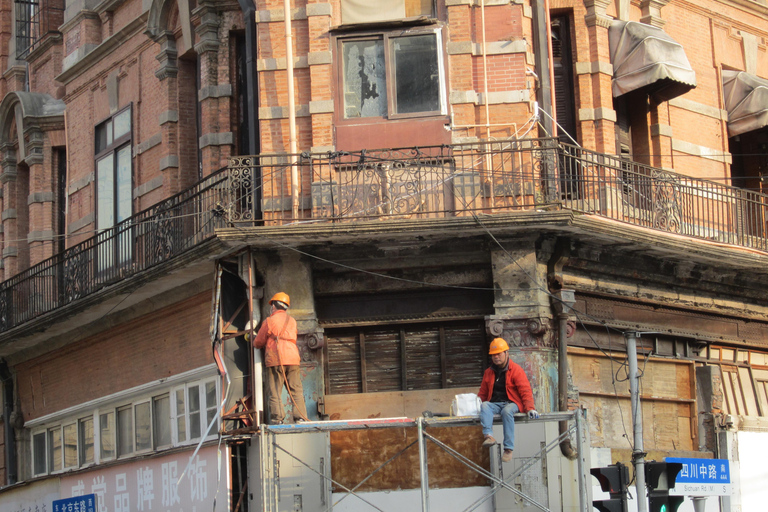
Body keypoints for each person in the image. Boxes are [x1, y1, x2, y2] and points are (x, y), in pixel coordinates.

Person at [477, 337, 539, 462]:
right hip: (495, 404)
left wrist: (530, 408)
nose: (496, 357)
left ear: (506, 353)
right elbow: (482, 394)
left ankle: (508, 448)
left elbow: (525, 390)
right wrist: (474, 407)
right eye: (493, 355)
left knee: (507, 411)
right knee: (484, 405)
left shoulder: (516, 370)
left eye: (499, 354)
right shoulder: (488, 372)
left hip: (512, 403)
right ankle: (489, 436)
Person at [253, 292, 308, 424]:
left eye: (272, 305)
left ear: (274, 306)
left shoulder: (269, 321)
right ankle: (300, 417)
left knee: (275, 391)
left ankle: (277, 419)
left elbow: (258, 343)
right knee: (296, 390)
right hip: (293, 358)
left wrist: (252, 338)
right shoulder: (292, 321)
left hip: (275, 358)